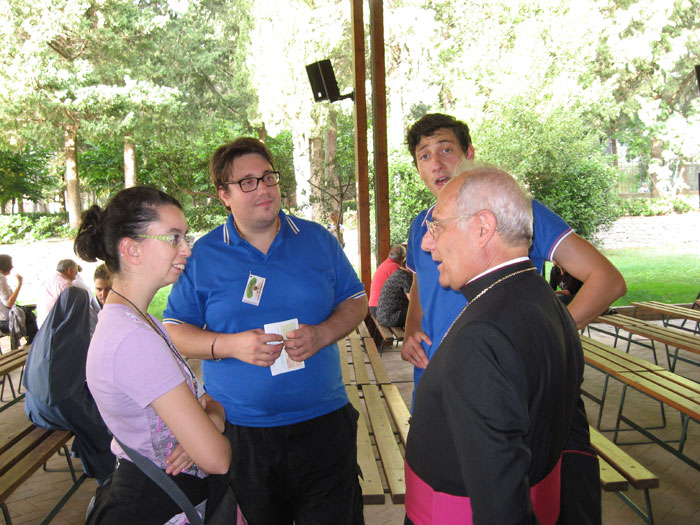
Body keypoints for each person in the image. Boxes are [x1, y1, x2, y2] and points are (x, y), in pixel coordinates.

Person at [401, 114, 626, 525]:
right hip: (447, 390)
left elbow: (606, 279)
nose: (435, 163)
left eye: (446, 150)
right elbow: (419, 283)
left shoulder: (513, 208)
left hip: (493, 381)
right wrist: (413, 326)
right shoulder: (423, 224)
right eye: (424, 155)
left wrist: (547, 336)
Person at [163, 137, 367, 525]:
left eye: (268, 177)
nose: (263, 188)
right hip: (241, 433)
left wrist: (322, 334)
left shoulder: (317, 239)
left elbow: (355, 300)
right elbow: (173, 328)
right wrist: (229, 345)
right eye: (247, 182)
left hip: (323, 423)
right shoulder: (204, 255)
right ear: (224, 195)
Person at [405, 167, 583, 524]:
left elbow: (500, 502)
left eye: (436, 225)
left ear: (483, 228)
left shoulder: (482, 336)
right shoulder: (542, 299)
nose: (426, 243)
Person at [74, 186, 231, 524]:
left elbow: (209, 403)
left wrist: (211, 422)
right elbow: (217, 459)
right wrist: (207, 431)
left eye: (185, 236)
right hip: (153, 505)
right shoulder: (132, 339)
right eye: (173, 237)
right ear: (131, 249)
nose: (187, 249)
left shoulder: (143, 322)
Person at [23, 286, 115, 485]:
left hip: (33, 407)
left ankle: (83, 450)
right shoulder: (75, 336)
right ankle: (107, 479)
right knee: (104, 424)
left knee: (92, 410)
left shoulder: (47, 330)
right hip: (57, 408)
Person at [0, 254, 39, 346]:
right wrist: (19, 284)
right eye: (10, 264)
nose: (12, 267)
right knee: (36, 326)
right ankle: (29, 350)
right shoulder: (1, 279)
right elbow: (8, 303)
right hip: (6, 320)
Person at [36, 258, 79, 327]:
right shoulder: (65, 284)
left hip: (42, 324)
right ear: (70, 270)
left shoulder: (47, 280)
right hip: (55, 326)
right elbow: (70, 311)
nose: (75, 278)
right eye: (75, 273)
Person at [369, 244, 406, 317]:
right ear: (403, 258)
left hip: (374, 307)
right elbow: (405, 290)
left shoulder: (385, 264)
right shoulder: (395, 268)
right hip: (381, 309)